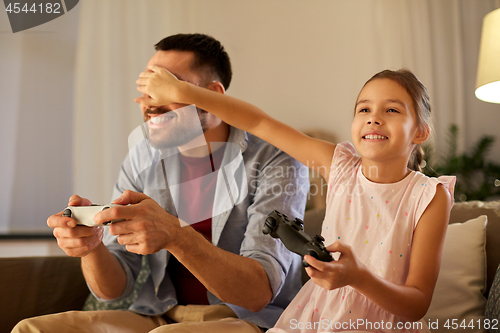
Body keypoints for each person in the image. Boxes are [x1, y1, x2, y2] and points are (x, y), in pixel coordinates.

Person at [13, 34, 309, 333]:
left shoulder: (278, 160)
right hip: (158, 312)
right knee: (32, 329)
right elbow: (116, 288)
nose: (148, 102)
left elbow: (258, 293)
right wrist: (91, 247)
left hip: (246, 319)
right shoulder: (143, 155)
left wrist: (176, 235)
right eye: (145, 86)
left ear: (213, 96)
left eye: (165, 86)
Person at [134, 67, 456, 332]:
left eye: (391, 110)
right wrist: (184, 94)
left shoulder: (429, 196)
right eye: (364, 109)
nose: (373, 118)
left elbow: (416, 302)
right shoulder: (340, 166)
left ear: (420, 132)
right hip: (317, 320)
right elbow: (259, 122)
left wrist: (358, 278)